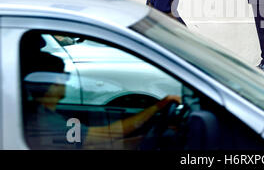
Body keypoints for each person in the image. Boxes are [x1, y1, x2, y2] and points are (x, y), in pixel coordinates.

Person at [22, 50, 181, 149]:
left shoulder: (43, 114)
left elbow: (99, 144)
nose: (66, 81)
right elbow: (105, 135)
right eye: (65, 77)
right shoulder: (47, 122)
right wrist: (157, 107)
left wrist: (145, 140)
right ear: (55, 83)